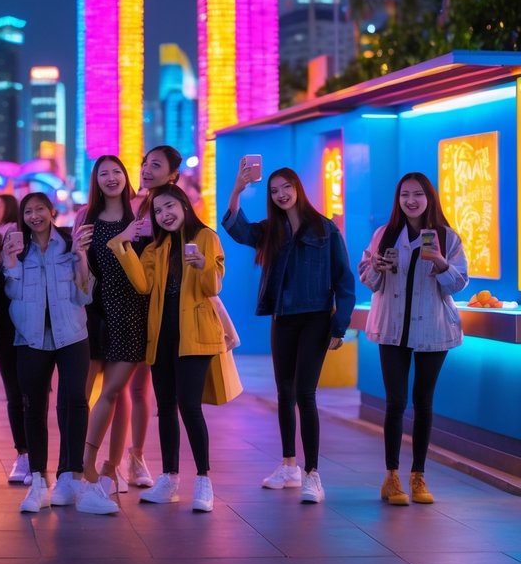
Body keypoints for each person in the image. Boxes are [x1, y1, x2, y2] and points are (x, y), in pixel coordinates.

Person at [224, 162, 355, 504]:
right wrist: (238, 189)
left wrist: (340, 326)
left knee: (305, 394)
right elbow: (237, 230)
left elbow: (344, 281)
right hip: (283, 318)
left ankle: (313, 474)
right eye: (274, 190)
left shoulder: (325, 229)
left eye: (286, 187)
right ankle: (288, 466)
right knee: (284, 392)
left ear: (298, 188)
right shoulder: (271, 230)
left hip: (315, 318)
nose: (281, 194)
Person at [109, 184, 226, 513]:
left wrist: (203, 263)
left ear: (184, 205)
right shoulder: (154, 249)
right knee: (165, 406)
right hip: (161, 338)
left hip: (196, 336)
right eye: (158, 211)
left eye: (169, 206)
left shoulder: (206, 238)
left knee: (189, 405)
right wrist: (123, 245)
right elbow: (143, 286)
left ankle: (203, 480)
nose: (165, 214)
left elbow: (212, 287)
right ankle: (170, 478)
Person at [3, 194, 117, 514]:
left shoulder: (69, 241)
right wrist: (10, 265)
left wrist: (81, 257)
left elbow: (84, 295)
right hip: (30, 338)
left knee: (75, 402)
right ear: (22, 216)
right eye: (28, 211)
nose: (35, 216)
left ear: (52, 212)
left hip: (72, 335)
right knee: (34, 407)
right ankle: (39, 480)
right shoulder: (17, 248)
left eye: (40, 209)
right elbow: (11, 294)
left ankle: (72, 477)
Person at [358, 173, 467, 506]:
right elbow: (369, 279)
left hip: (433, 329)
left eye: (418, 194)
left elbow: (459, 283)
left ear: (429, 198)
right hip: (393, 329)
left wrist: (440, 263)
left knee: (424, 403)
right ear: (398, 200)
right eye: (405, 195)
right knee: (395, 403)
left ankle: (418, 476)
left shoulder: (447, 238)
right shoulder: (385, 234)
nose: (411, 201)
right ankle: (391, 477)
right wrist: (376, 266)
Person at [110, 144, 185, 488]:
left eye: (156, 165)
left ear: (172, 175)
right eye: (144, 164)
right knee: (116, 386)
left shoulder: (173, 208)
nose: (145, 169)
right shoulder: (130, 207)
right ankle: (109, 458)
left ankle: (136, 456)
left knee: (142, 389)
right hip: (125, 303)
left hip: (154, 305)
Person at [78, 155, 149, 498]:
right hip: (93, 313)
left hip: (132, 311)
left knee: (115, 393)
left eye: (116, 171)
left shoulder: (141, 215)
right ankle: (81, 463)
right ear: (96, 180)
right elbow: (80, 271)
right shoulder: (86, 217)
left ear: (125, 176)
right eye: (103, 173)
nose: (110, 177)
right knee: (83, 395)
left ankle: (110, 466)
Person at [0, 194, 29, 484]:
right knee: (16, 395)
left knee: (31, 397)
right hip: (6, 334)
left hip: (35, 335)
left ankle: (34, 460)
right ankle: (24, 455)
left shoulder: (41, 260)